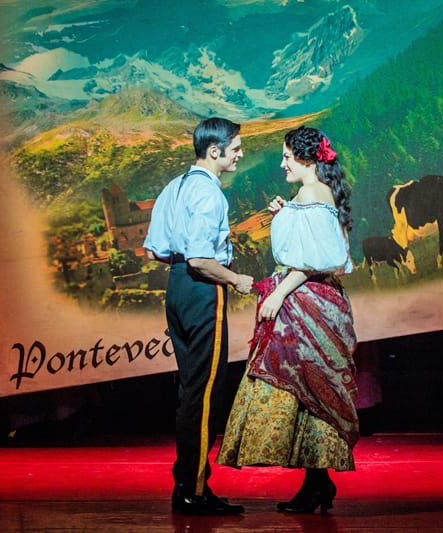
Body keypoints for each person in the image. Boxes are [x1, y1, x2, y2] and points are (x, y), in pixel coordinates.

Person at [216, 125, 359, 514]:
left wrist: (278, 293)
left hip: (307, 301)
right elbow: (313, 245)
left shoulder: (312, 193)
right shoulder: (310, 194)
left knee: (304, 389)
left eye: (286, 157)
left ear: (307, 158)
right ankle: (316, 484)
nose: (282, 163)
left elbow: (315, 259)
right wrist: (286, 213)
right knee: (308, 393)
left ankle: (316, 485)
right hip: (313, 299)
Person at [143, 117, 254, 516]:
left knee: (192, 389)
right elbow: (201, 259)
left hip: (177, 288)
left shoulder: (175, 186)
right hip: (202, 288)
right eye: (236, 148)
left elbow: (155, 250)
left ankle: (187, 483)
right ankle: (193, 489)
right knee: (206, 392)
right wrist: (237, 279)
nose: (240, 153)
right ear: (215, 151)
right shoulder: (209, 194)